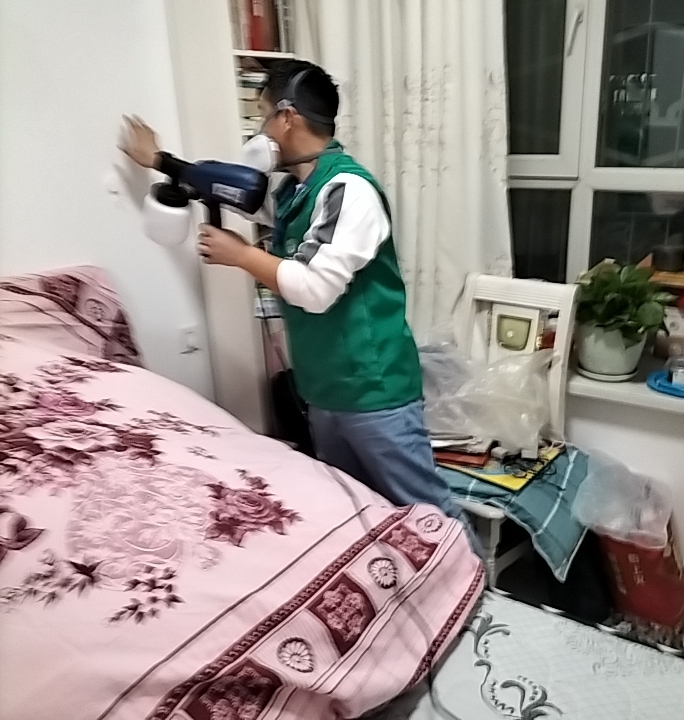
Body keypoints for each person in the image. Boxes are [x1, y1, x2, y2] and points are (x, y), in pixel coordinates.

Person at [121, 60, 483, 557]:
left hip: (373, 391)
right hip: (325, 388)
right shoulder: (295, 191)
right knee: (359, 511)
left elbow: (314, 288)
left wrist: (241, 255)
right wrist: (161, 162)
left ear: (287, 117)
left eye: (263, 115)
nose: (260, 130)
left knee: (427, 513)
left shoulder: (348, 191)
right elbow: (228, 186)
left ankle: (477, 588)